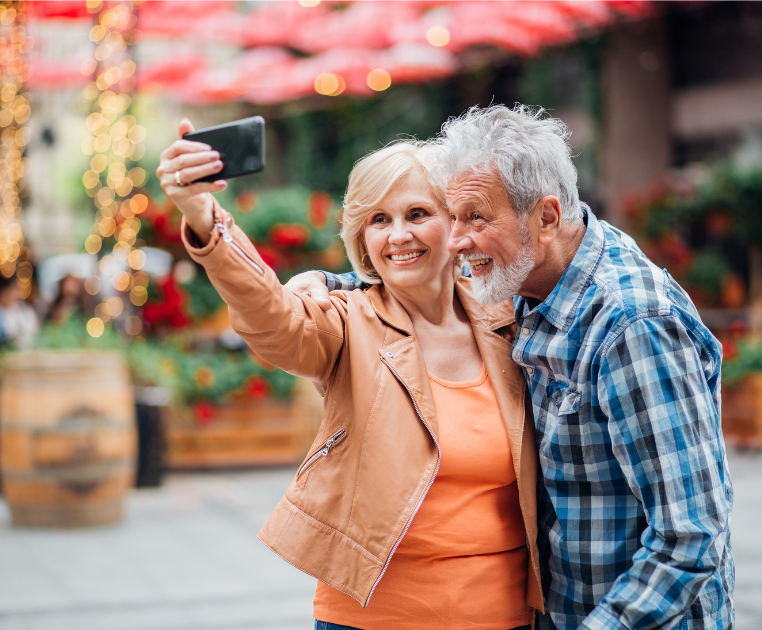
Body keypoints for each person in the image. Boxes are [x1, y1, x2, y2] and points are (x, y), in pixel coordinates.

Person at [293, 105, 735, 630]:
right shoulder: (528, 274)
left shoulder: (631, 325)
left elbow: (689, 539)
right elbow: (416, 269)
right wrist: (329, 281)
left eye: (475, 217)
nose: (456, 240)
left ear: (546, 218)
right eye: (451, 216)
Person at [158, 120, 543, 630]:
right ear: (362, 237)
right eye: (379, 219)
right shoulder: (345, 321)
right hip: (372, 619)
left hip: (504, 616)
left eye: (417, 213)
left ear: (453, 224)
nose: (398, 234)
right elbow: (272, 318)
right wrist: (205, 219)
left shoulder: (509, 321)